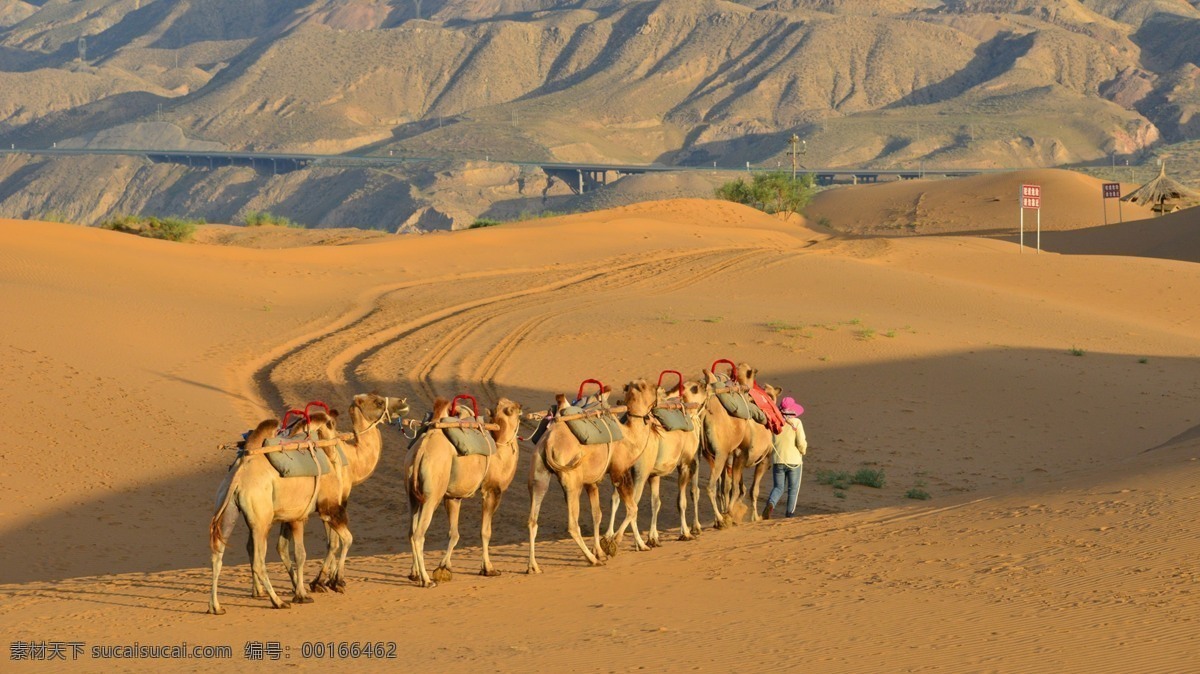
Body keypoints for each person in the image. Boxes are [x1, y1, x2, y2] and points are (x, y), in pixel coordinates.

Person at [762, 396, 807, 519]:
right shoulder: (797, 423)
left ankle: (771, 504)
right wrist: (803, 451)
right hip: (794, 462)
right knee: (793, 489)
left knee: (778, 487)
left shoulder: (775, 422)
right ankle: (790, 513)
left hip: (778, 460)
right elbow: (801, 442)